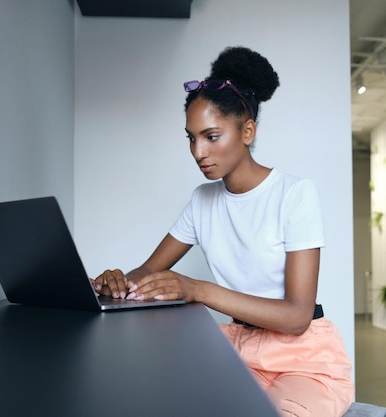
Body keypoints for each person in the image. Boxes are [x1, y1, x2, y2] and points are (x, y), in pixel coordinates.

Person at [92, 46, 354, 417]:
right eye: (191, 138)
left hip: (302, 360)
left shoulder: (294, 194)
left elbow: (297, 317)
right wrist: (116, 284)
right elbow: (149, 272)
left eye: (211, 136)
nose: (198, 151)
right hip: (237, 351)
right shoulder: (203, 200)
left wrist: (197, 289)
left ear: (247, 131)